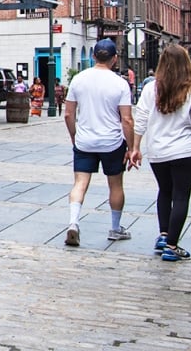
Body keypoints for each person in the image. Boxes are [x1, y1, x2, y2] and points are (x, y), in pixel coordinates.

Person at [127, 44, 191, 261]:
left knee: (164, 191)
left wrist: (135, 148)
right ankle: (172, 246)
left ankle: (164, 234)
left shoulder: (151, 88)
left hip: (157, 151)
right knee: (181, 196)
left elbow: (140, 120)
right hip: (185, 150)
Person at [61, 38, 134, 247]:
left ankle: (73, 222)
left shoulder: (78, 80)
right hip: (111, 141)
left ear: (93, 56)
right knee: (115, 184)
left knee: (80, 183)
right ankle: (115, 227)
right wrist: (130, 147)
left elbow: (68, 114)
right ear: (115, 59)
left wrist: (75, 137)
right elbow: (127, 119)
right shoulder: (120, 83)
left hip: (85, 140)